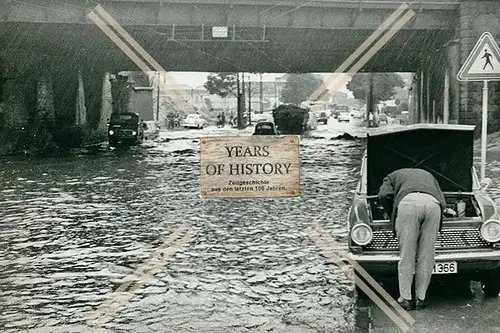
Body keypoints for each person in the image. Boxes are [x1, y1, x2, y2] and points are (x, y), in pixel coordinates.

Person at [377, 168, 446, 310]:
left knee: (407, 254)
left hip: (408, 204)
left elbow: (383, 195)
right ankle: (421, 298)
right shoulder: (429, 174)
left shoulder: (391, 175)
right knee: (427, 255)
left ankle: (405, 299)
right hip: (433, 204)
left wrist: (392, 212)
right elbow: (442, 199)